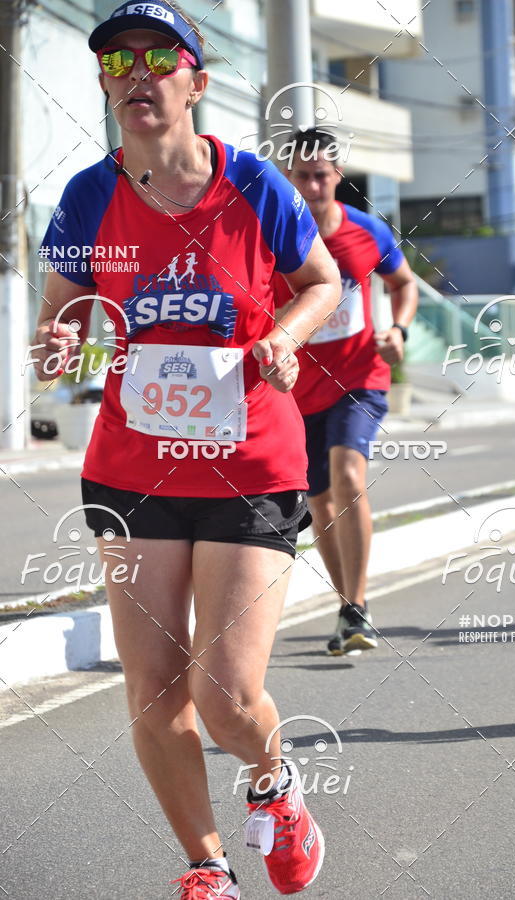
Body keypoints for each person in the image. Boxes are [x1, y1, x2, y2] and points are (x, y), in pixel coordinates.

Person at [33, 4, 341, 898]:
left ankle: (274, 782)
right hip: (133, 468)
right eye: (117, 60)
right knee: (155, 691)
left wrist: (284, 335)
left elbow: (320, 282)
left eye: (158, 57)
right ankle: (208, 868)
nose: (136, 71)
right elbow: (63, 308)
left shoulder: (252, 184)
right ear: (105, 85)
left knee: (226, 699)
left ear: (196, 83)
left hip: (249, 462)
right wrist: (59, 340)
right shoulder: (92, 194)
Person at [274, 128, 418, 656]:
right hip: (297, 392)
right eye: (302, 176)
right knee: (319, 500)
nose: (313, 186)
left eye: (322, 175)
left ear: (337, 177)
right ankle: (347, 608)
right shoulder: (276, 243)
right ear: (289, 179)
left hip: (360, 378)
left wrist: (397, 331)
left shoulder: (367, 232)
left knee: (347, 473)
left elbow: (404, 284)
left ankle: (357, 604)